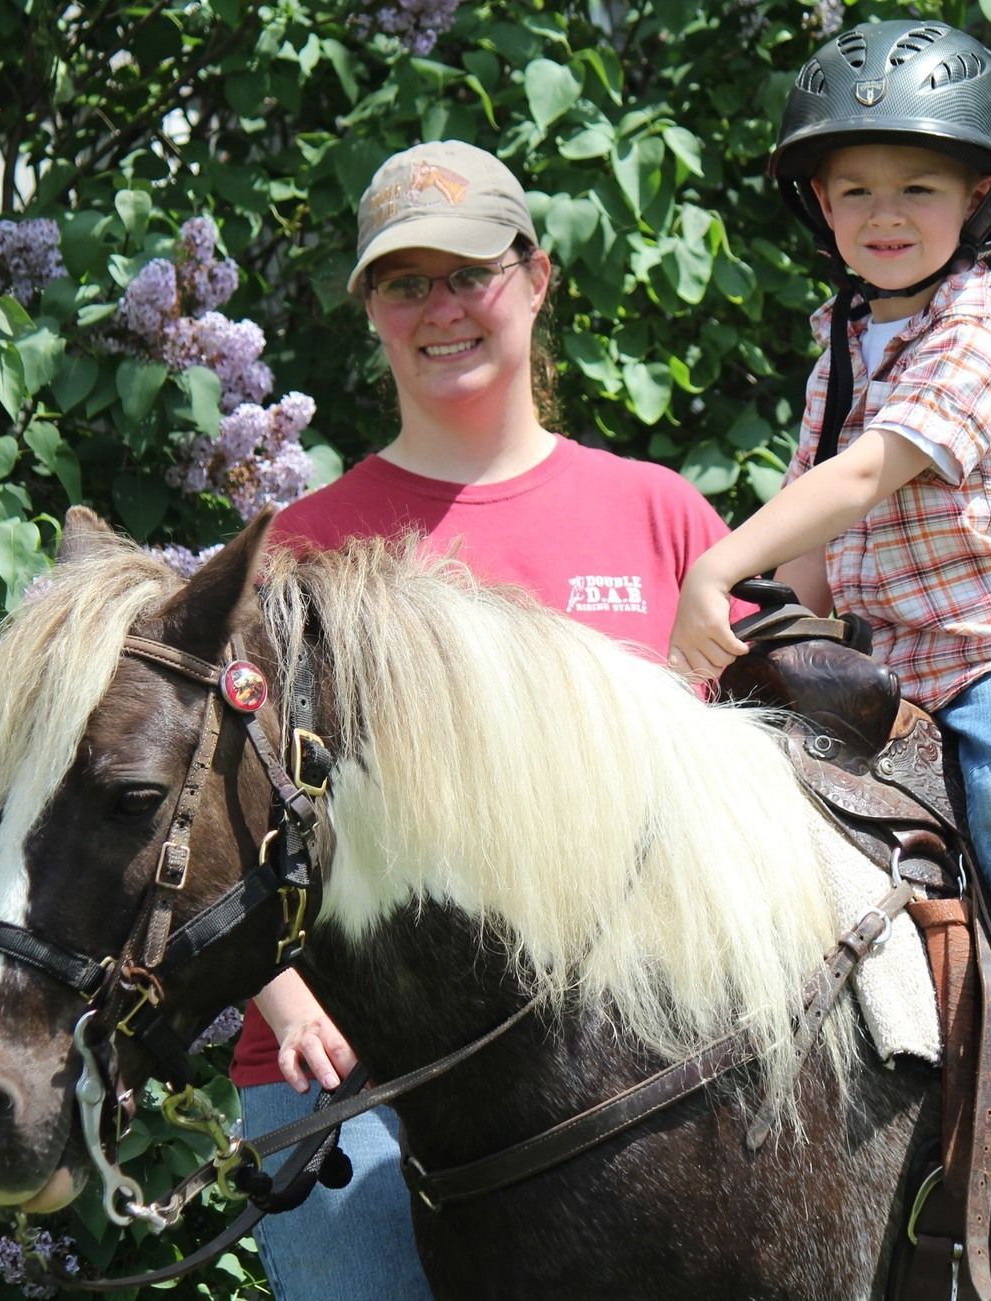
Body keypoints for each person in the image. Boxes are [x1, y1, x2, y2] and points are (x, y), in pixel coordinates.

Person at [230, 139, 739, 1299]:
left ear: (536, 277)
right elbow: (214, 803)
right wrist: (284, 992)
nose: (441, 309)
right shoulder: (303, 549)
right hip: (351, 1067)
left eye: (469, 272)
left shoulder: (659, 518)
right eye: (405, 282)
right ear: (369, 310)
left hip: (634, 1062)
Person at [666, 20, 991, 1182]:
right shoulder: (842, 341)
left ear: (980, 196)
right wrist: (786, 626)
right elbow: (818, 517)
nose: (885, 215)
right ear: (819, 206)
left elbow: (868, 473)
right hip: (894, 662)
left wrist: (714, 569)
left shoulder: (977, 333)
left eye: (918, 188)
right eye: (857, 190)